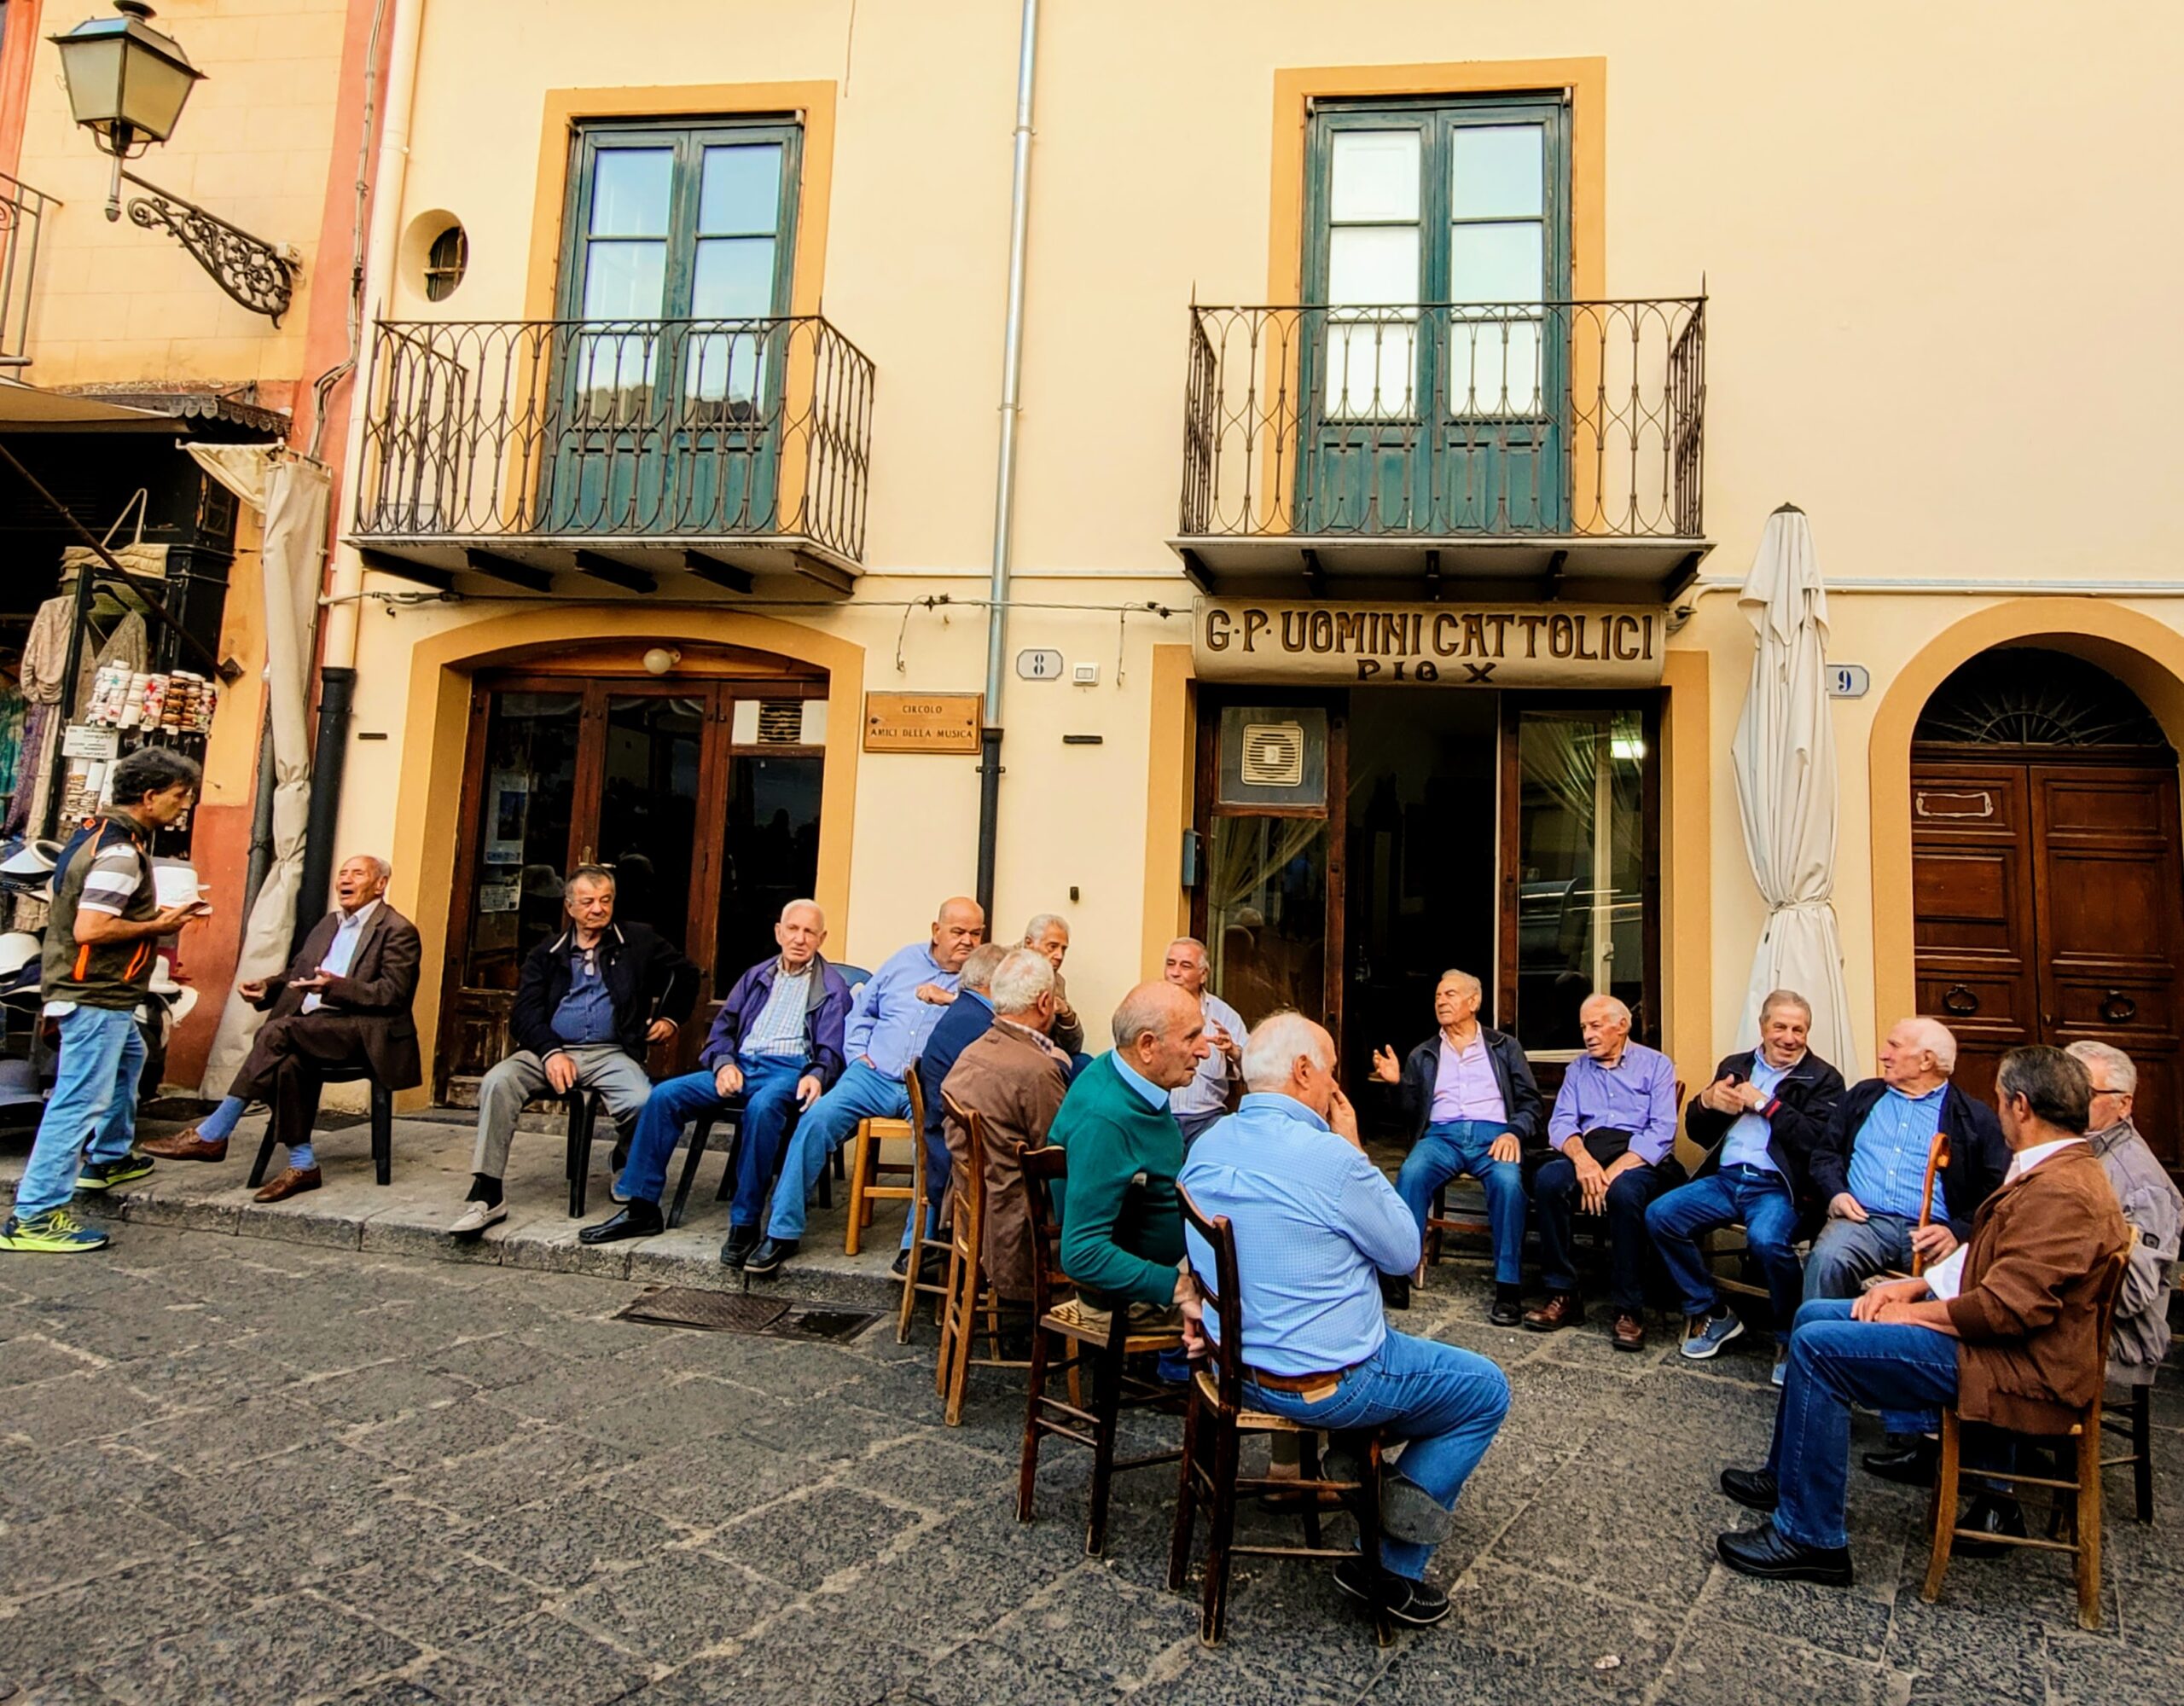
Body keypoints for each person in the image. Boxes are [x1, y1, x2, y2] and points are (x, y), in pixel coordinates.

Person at [1715, 1045, 2131, 1587]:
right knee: (1815, 1314)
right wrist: (1915, 1287)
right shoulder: (2052, 1169)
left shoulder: (2062, 1191)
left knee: (1819, 1350)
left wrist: (1915, 1317)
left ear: (2021, 1106)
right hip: (1992, 1341)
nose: (1998, 1110)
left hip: (2011, 1365)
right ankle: (1788, 1474)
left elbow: (2005, 1310)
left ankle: (1811, 1538)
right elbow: (1990, 1267)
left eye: (2002, 1102)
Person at [1179, 1012, 1510, 1628]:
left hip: (1235, 1370)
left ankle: (1364, 1471)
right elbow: (1405, 1254)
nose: (1337, 1083)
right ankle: (1385, 1561)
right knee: (1485, 1390)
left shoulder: (1209, 1142)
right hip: (1331, 1384)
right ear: (1304, 1070)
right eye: (1331, 1069)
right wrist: (1353, 1144)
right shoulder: (1333, 1160)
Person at [1, 749, 206, 1254]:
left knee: (129, 1059)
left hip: (88, 989)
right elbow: (92, 927)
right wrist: (161, 924)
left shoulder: (93, 835)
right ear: (150, 796)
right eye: (179, 797)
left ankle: (110, 1155)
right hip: (97, 992)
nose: (183, 808)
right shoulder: (120, 852)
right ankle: (35, 1214)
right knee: (78, 1102)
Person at [577, 899, 850, 1258]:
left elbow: (831, 1051)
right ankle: (642, 1209)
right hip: (741, 1066)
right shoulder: (756, 976)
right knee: (664, 1096)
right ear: (778, 933)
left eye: (809, 932)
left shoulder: (832, 988)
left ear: (822, 938)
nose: (800, 938)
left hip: (788, 1072)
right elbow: (722, 1032)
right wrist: (723, 1064)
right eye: (793, 929)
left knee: (763, 1109)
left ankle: (745, 1222)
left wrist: (816, 1074)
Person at [143, 855, 421, 1201]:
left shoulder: (398, 930)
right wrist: (269, 987)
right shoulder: (328, 924)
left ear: (380, 884)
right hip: (312, 1028)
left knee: (276, 1032)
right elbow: (298, 973)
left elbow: (393, 994)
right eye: (342, 873)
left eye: (358, 874)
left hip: (362, 1031)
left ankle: (214, 1131)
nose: (345, 880)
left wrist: (333, 987)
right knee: (288, 1061)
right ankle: (302, 1164)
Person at [746, 896, 986, 1275]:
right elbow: (863, 1010)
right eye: (958, 932)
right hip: (871, 1075)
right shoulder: (903, 961)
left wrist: (951, 1000)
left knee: (932, 1149)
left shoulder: (980, 978)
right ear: (936, 931)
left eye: (976, 933)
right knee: (815, 1122)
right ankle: (782, 1232)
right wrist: (858, 1054)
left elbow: (988, 1020)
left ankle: (916, 1247)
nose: (967, 941)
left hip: (926, 1086)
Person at [450, 866, 696, 1233]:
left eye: (605, 900)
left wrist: (670, 1018)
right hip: (549, 1050)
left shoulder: (638, 940)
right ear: (569, 907)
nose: (598, 909)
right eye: (588, 902)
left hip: (610, 1051)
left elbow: (687, 972)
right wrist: (550, 1052)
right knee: (498, 1081)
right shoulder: (547, 952)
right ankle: (488, 1191)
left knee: (644, 1101)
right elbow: (524, 1015)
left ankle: (626, 1162)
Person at [1647, 990, 1846, 1383]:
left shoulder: (1824, 1079)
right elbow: (1698, 1133)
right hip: (1726, 1180)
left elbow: (1818, 1142)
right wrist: (1706, 1103)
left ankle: (1791, 1335)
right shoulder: (1735, 1066)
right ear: (1763, 1027)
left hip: (1779, 1187)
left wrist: (1767, 1105)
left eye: (1799, 1029)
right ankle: (1713, 1312)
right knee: (1660, 1215)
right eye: (1781, 1027)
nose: (1789, 1038)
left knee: (1767, 1240)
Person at [1373, 968, 1543, 1323]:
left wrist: (1514, 1132)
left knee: (1510, 1184)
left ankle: (1508, 1288)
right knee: (1412, 1172)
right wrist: (1394, 1084)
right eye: (1438, 996)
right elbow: (1407, 1112)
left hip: (1495, 1136)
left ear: (1474, 1001)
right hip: (1442, 1136)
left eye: (1450, 994)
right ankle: (1399, 1273)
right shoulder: (1424, 1054)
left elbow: (1531, 1105)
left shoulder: (1503, 1046)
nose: (1441, 1001)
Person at [1802, 1018, 2009, 1301]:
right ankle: (1819, 1342)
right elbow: (1826, 1154)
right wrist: (1836, 1194)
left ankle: (1903, 1345)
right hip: (1864, 1222)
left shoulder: (1974, 1117)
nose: (1883, 1054)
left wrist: (1957, 1230)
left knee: (1946, 1290)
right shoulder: (1864, 1096)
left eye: (1894, 1046)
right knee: (1827, 1260)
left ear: (1926, 1060)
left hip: (1933, 1231)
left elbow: (1998, 1189)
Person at [1523, 994, 1682, 1349]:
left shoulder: (1656, 1065)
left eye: (1596, 1026)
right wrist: (1584, 1162)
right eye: (1583, 1027)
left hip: (1636, 1158)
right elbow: (1561, 1124)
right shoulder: (1578, 1069)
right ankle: (1562, 1293)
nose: (1588, 1035)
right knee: (1548, 1180)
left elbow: (1661, 1132)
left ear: (1622, 1026)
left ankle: (1629, 1308)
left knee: (1625, 1194)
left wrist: (1611, 1173)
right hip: (1588, 1152)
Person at [1048, 980, 1209, 1328]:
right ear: (1147, 1045)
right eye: (1191, 1037)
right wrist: (1177, 1288)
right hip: (1126, 1300)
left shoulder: (1122, 1071)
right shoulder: (1106, 1122)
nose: (1205, 1050)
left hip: (1163, 1265)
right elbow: (1081, 1254)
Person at [939, 946, 1071, 1301]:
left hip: (974, 1213)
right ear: (1045, 1003)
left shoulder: (974, 1051)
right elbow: (1057, 1157)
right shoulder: (1036, 1072)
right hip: (1016, 1226)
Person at [2065, 1040, 2181, 1388]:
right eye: (2062, 1089)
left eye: (2083, 1092)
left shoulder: (2138, 1180)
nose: (2066, 1102)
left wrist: (2048, 1286)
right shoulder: (2067, 1149)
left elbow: (2129, 1293)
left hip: (2117, 1341)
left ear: (2123, 1104)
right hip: (2071, 1320)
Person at [901, 941, 1008, 1279]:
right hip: (954, 1166)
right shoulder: (981, 1027)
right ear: (993, 984)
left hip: (940, 1150)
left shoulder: (963, 1012)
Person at [1163, 936, 1246, 1145]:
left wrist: (1234, 1052)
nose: (1175, 973)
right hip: (1157, 1116)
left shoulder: (1223, 1015)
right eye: (1170, 964)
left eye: (1185, 966)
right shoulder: (1148, 1009)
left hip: (1206, 1119)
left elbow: (1256, 1070)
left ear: (1203, 975)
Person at [1021, 913, 1085, 1057]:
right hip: (1011, 1049)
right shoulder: (1003, 968)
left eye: (1063, 949)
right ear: (1029, 943)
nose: (1059, 956)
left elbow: (1073, 1047)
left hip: (1044, 1052)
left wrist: (1066, 1014)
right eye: (1053, 947)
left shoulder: (1057, 981)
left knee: (1082, 1061)